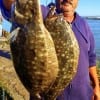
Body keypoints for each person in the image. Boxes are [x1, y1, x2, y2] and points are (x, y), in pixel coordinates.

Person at [53, 0, 100, 100]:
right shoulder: (42, 18)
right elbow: (12, 8)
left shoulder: (84, 24)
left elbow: (91, 58)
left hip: (83, 95)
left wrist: (96, 85)